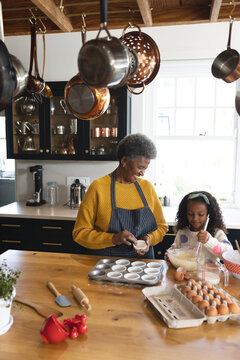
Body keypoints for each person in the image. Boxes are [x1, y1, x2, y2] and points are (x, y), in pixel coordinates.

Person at [73, 133, 168, 259]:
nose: (142, 173)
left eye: (145, 168)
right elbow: (80, 233)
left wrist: (150, 238)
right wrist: (112, 238)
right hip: (107, 262)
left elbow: (162, 227)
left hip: (143, 264)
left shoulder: (147, 188)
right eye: (140, 167)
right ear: (124, 161)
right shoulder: (98, 188)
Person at [166, 191, 233, 260]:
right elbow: (175, 250)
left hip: (208, 271)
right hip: (186, 270)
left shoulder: (216, 233)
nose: (195, 219)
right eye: (190, 214)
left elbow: (229, 254)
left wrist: (209, 241)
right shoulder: (182, 232)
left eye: (201, 214)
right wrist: (170, 254)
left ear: (208, 214)